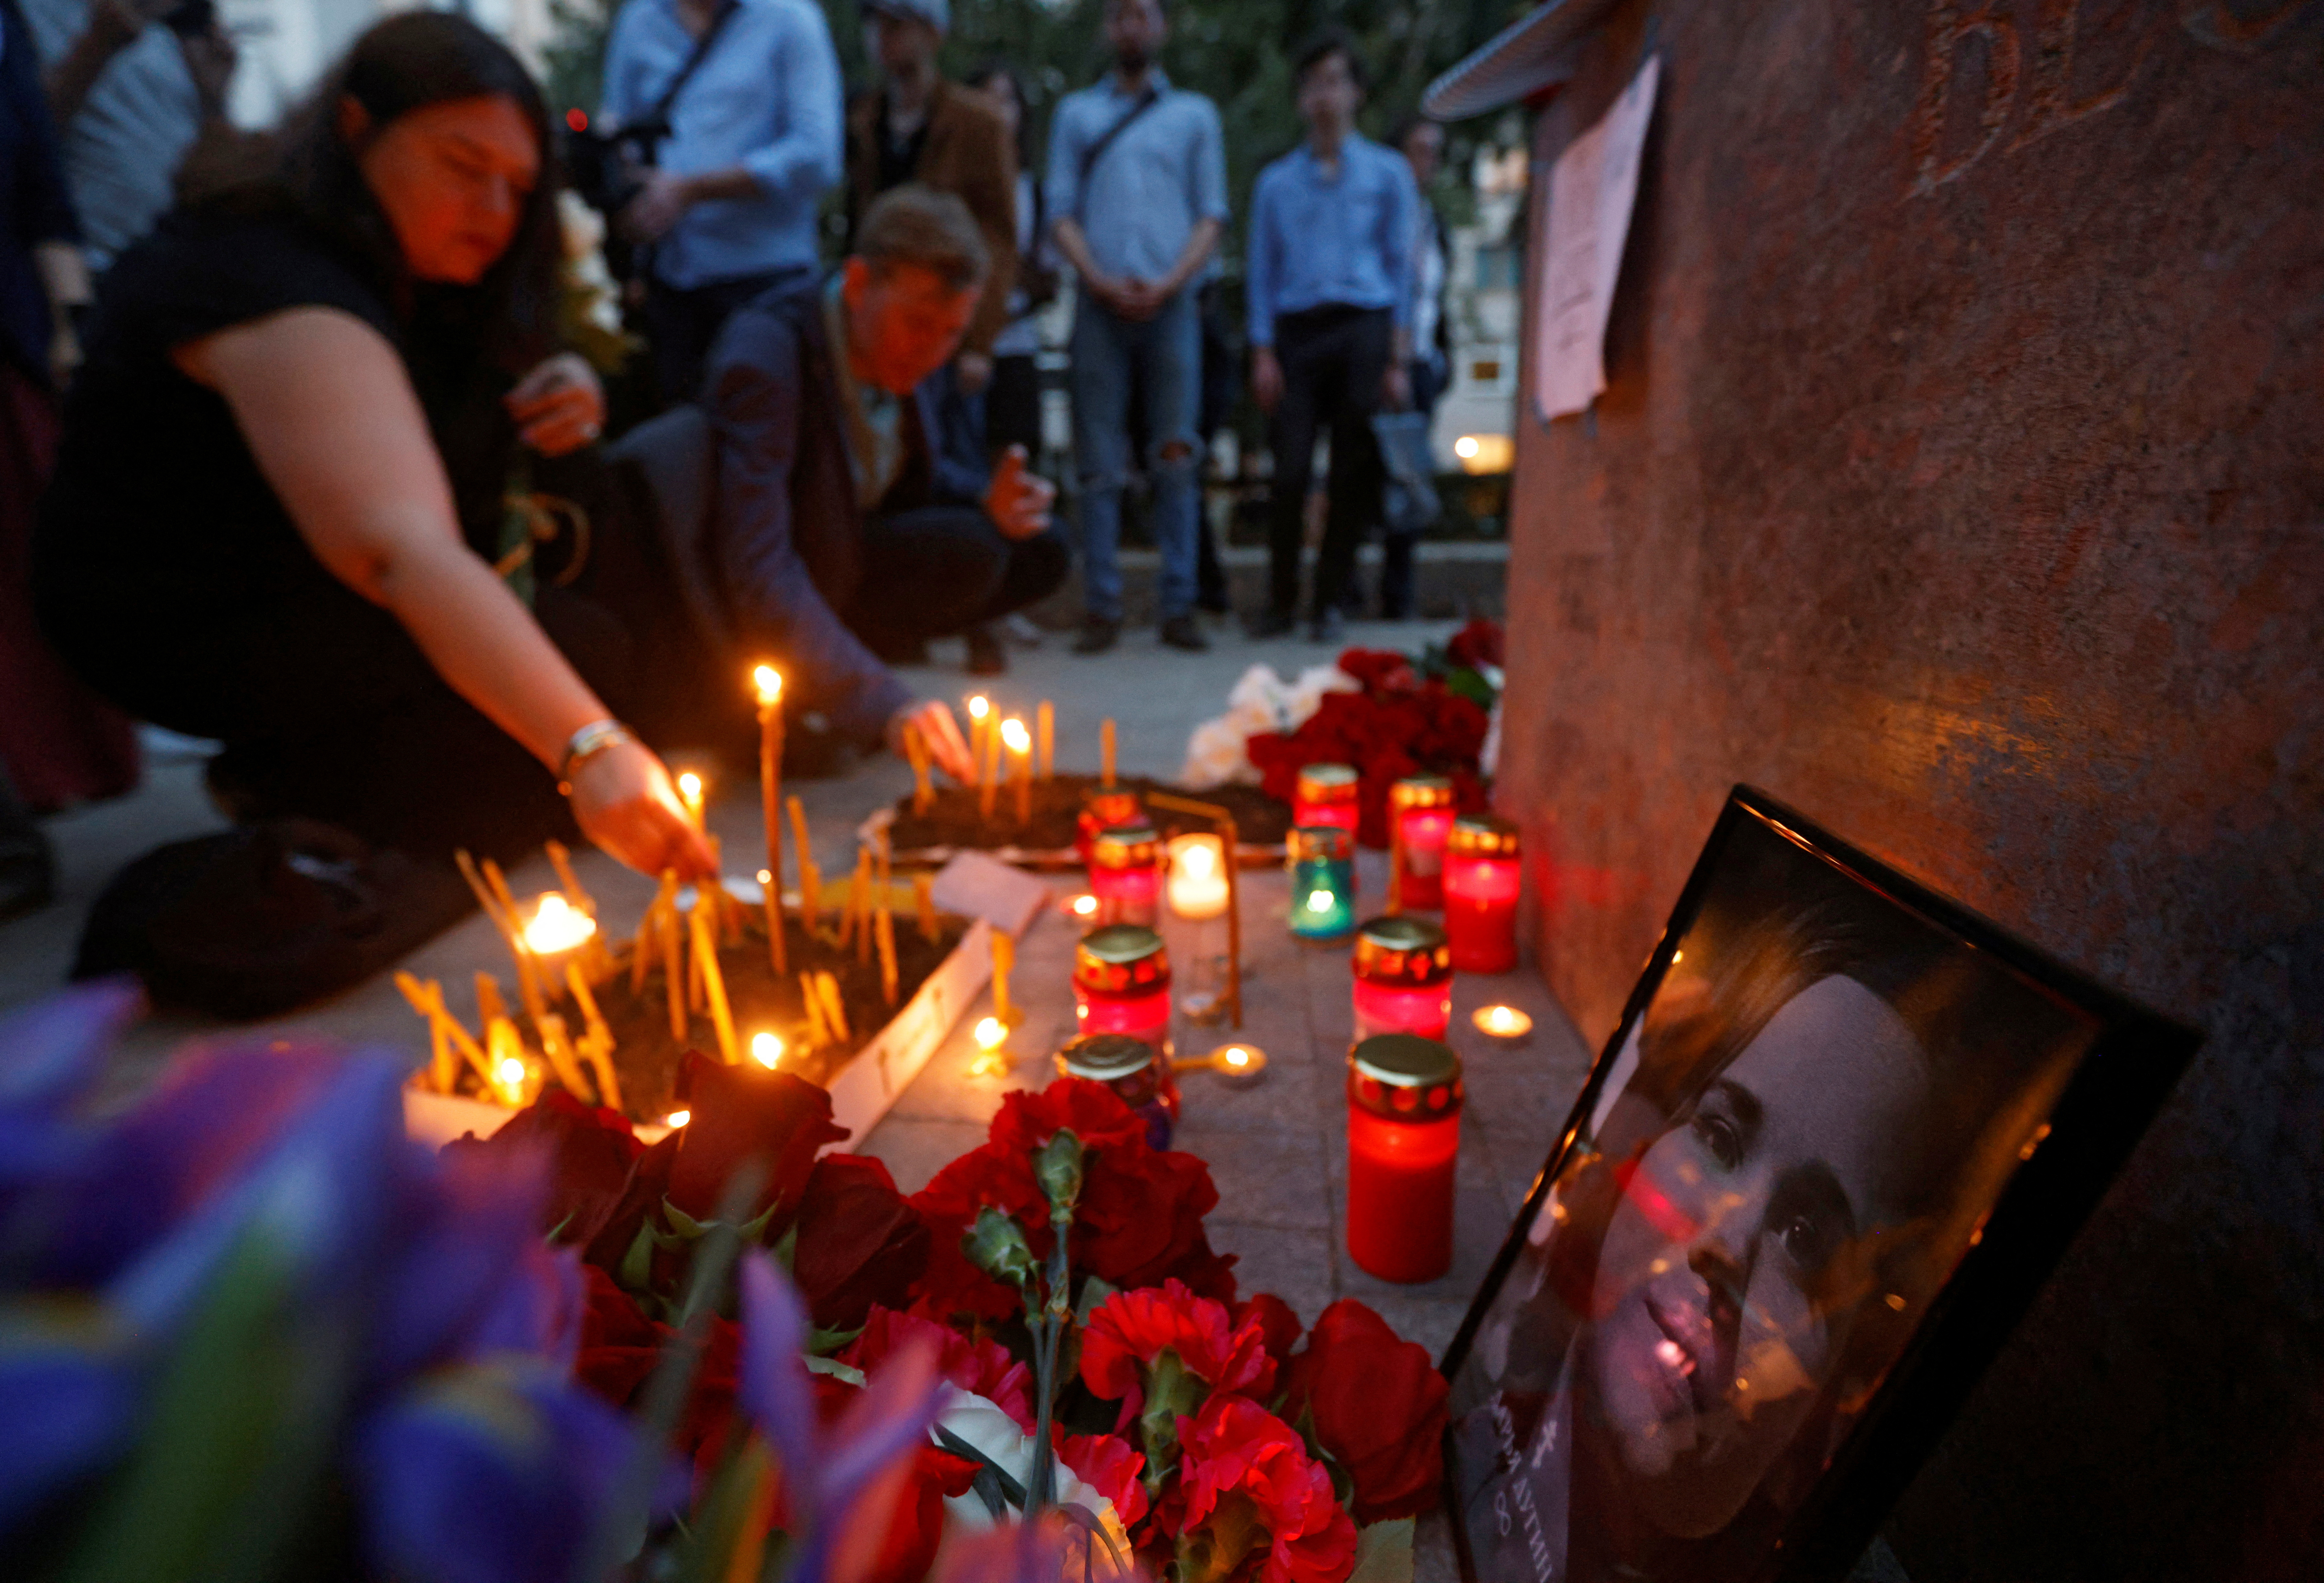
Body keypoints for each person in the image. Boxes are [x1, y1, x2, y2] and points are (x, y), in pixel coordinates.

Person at [32, 12, 715, 878]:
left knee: (596, 651)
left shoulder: (406, 266)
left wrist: (563, 386)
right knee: (541, 741)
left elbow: (451, 426)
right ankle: (291, 786)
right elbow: (399, 544)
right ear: (357, 128)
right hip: (188, 606)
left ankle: (323, 776)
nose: (494, 212)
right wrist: (591, 750)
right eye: (465, 169)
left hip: (308, 574)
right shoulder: (267, 277)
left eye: (517, 186)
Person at [1448, 885, 2082, 1583]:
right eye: (1719, 1136)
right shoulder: (1499, 1390)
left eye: (1805, 1233)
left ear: (1869, 1345)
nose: (1727, 1242)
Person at [703, 184, 1064, 784]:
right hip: (758, 597)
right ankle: (800, 703)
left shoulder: (899, 356)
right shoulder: (769, 354)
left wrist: (986, 499)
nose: (934, 350)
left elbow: (899, 475)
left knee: (1032, 547)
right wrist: (885, 703)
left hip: (843, 555)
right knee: (966, 548)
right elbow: (755, 563)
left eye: (953, 333)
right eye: (919, 323)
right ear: (857, 284)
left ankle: (838, 681)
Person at [1046, 0, 1227, 656]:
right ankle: (1101, 607)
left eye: (1141, 14)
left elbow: (1211, 215)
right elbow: (1059, 210)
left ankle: (1178, 607)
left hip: (1172, 304)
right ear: (1105, 28)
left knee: (1175, 454)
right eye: (1118, 14)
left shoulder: (1194, 117)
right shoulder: (1075, 115)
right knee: (1096, 463)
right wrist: (1094, 275)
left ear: (1162, 27)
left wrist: (1170, 281)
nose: (1130, 26)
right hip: (1097, 305)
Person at [844, 0, 1017, 672]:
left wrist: (977, 336)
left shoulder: (975, 120)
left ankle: (982, 617)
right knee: (891, 460)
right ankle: (904, 621)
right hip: (882, 310)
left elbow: (999, 233)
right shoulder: (865, 119)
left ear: (932, 31)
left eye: (900, 23)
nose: (886, 39)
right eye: (877, 26)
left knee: (958, 457)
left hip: (948, 314)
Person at [2, 0, 136, 852]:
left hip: (11, 320)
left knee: (36, 555)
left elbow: (41, 184)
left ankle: (46, 775)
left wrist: (66, 319)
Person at [1244, 28, 1419, 645]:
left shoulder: (1388, 173)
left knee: (1351, 469)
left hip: (1363, 326)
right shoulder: (1275, 183)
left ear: (1355, 94)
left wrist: (1398, 354)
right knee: (1289, 470)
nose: (1325, 96)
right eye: (1314, 83)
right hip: (1297, 332)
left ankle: (1329, 602)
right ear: (1299, 98)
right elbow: (1260, 271)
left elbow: (1403, 267)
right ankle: (1280, 598)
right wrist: (1262, 350)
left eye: (1336, 82)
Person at [600, 0, 843, 406]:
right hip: (669, 286)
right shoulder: (640, 20)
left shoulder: (790, 19)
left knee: (762, 441)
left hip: (767, 284)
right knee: (673, 446)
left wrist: (692, 190)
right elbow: (617, 130)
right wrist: (624, 193)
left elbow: (818, 158)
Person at [20, 0, 237, 274]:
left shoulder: (171, 32)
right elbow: (19, 148)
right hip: (73, 272)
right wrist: (99, 46)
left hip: (152, 278)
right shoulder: (26, 15)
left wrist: (214, 103)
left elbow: (198, 173)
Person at [1376, 112, 1449, 621]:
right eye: (1419, 150)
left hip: (1425, 361)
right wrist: (1389, 357)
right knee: (1374, 474)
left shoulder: (1432, 220)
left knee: (1411, 479)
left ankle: (1398, 594)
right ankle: (1352, 591)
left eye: (1435, 153)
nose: (1428, 163)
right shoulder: (1380, 216)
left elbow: (1435, 298)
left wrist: (1446, 359)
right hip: (1382, 361)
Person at [966, 61, 1057, 466]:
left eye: (1006, 100)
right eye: (986, 97)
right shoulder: (952, 187)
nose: (995, 109)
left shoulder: (1036, 195)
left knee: (1016, 461)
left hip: (1016, 345)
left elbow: (1048, 280)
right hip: (960, 348)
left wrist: (1010, 295)